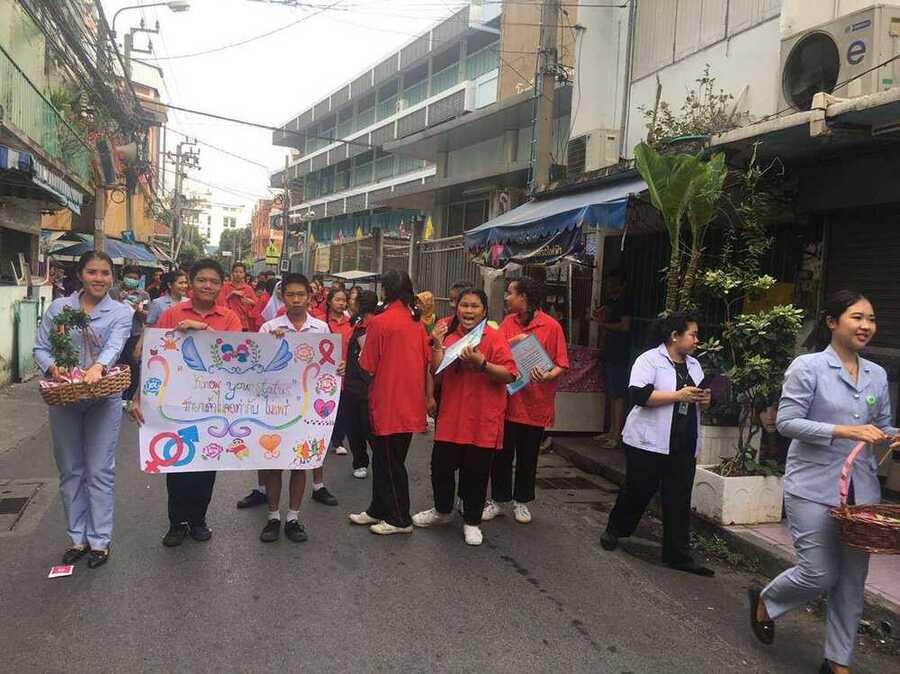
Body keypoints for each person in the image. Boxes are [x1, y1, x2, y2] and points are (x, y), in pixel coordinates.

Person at [749, 291, 900, 674]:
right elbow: (787, 422)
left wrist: (893, 436)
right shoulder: (808, 367)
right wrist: (842, 430)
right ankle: (766, 600)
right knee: (819, 573)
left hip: (861, 496)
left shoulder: (877, 375)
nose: (866, 325)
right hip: (812, 488)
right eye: (857, 317)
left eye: (871, 318)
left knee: (851, 581)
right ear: (832, 322)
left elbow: (881, 427)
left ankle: (837, 662)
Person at [129, 258, 242, 548]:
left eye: (214, 281)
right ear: (190, 283)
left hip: (214, 405)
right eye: (202, 280)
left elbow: (236, 358)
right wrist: (138, 397)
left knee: (206, 465)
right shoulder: (172, 313)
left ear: (221, 286)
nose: (207, 286)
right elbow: (154, 359)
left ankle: (198, 519)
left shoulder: (230, 318)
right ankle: (176, 522)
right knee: (177, 463)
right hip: (175, 404)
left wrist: (203, 329)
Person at [33, 251, 133, 568]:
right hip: (65, 398)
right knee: (70, 469)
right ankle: (77, 538)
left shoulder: (121, 311)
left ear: (112, 278)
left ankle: (100, 540)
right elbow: (40, 348)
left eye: (105, 273)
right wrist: (53, 368)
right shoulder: (59, 308)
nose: (99, 278)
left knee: (100, 470)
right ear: (80, 275)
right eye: (92, 272)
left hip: (103, 398)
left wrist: (99, 367)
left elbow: (115, 345)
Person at [600, 312, 714, 577]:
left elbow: (699, 400)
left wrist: (706, 400)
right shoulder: (649, 360)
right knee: (638, 490)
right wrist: (678, 395)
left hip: (683, 442)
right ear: (675, 336)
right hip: (648, 441)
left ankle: (678, 555)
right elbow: (639, 395)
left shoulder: (695, 365)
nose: (697, 340)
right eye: (693, 334)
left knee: (679, 499)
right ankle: (615, 530)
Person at [413, 288, 516, 546]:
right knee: (441, 469)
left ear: (484, 311)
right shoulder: (447, 333)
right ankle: (442, 511)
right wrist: (438, 345)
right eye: (464, 305)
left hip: (483, 420)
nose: (468, 311)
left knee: (476, 475)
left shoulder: (494, 337)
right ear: (456, 307)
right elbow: (436, 371)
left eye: (474, 306)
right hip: (451, 418)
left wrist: (482, 364)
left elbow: (510, 374)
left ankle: (472, 521)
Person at [349, 270, 434, 535]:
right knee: (386, 459)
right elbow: (426, 360)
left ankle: (400, 518)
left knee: (390, 462)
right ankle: (378, 508)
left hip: (387, 402)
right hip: (409, 401)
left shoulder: (381, 322)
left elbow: (367, 364)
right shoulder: (416, 322)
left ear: (385, 290)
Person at [255, 273, 335, 543]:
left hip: (308, 407)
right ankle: (273, 516)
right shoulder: (269, 328)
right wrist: (270, 345)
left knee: (301, 463)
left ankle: (293, 518)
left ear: (310, 297)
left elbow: (328, 365)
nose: (296, 300)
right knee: (275, 464)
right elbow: (257, 367)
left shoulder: (320, 328)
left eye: (301, 294)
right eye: (291, 294)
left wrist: (338, 368)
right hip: (276, 407)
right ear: (282, 297)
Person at [483, 278, 568, 525]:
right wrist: (514, 341)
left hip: (536, 404)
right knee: (501, 455)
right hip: (508, 401)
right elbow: (495, 351)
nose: (506, 297)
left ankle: (521, 501)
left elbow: (561, 364)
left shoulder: (551, 327)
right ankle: (498, 500)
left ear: (524, 297)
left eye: (510, 293)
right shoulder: (507, 323)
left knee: (528, 457)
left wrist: (547, 375)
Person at [343, 290, 378, 479]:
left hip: (365, 384)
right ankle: (361, 462)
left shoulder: (372, 324)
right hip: (351, 381)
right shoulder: (356, 322)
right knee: (355, 426)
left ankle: (368, 462)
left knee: (365, 426)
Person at [597, 269, 633, 449]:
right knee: (611, 394)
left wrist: (603, 324)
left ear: (622, 284)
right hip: (608, 352)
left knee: (617, 394)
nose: (610, 286)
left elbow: (625, 326)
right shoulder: (610, 301)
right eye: (609, 283)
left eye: (614, 283)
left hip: (619, 353)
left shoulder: (625, 302)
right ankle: (611, 430)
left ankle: (616, 434)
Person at [109, 265, 150, 402]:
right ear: (123, 277)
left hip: (134, 334)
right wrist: (119, 302)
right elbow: (107, 311)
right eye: (129, 277)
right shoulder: (113, 292)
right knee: (115, 365)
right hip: (115, 334)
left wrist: (139, 310)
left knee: (133, 366)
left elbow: (148, 317)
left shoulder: (143, 295)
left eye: (135, 278)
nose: (132, 280)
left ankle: (129, 397)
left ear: (139, 280)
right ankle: (114, 395)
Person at [327, 287, 353, 457]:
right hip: (324, 371)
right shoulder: (321, 322)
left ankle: (338, 441)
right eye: (338, 299)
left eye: (344, 300)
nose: (341, 303)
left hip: (344, 371)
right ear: (329, 301)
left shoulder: (351, 323)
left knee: (341, 409)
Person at [216, 262, 258, 331]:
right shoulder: (225, 287)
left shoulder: (248, 288)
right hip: (228, 322)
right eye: (236, 272)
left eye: (241, 272)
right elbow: (220, 303)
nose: (238, 274)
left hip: (244, 323)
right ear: (232, 273)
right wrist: (231, 294)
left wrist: (249, 301)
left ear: (244, 274)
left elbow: (257, 304)